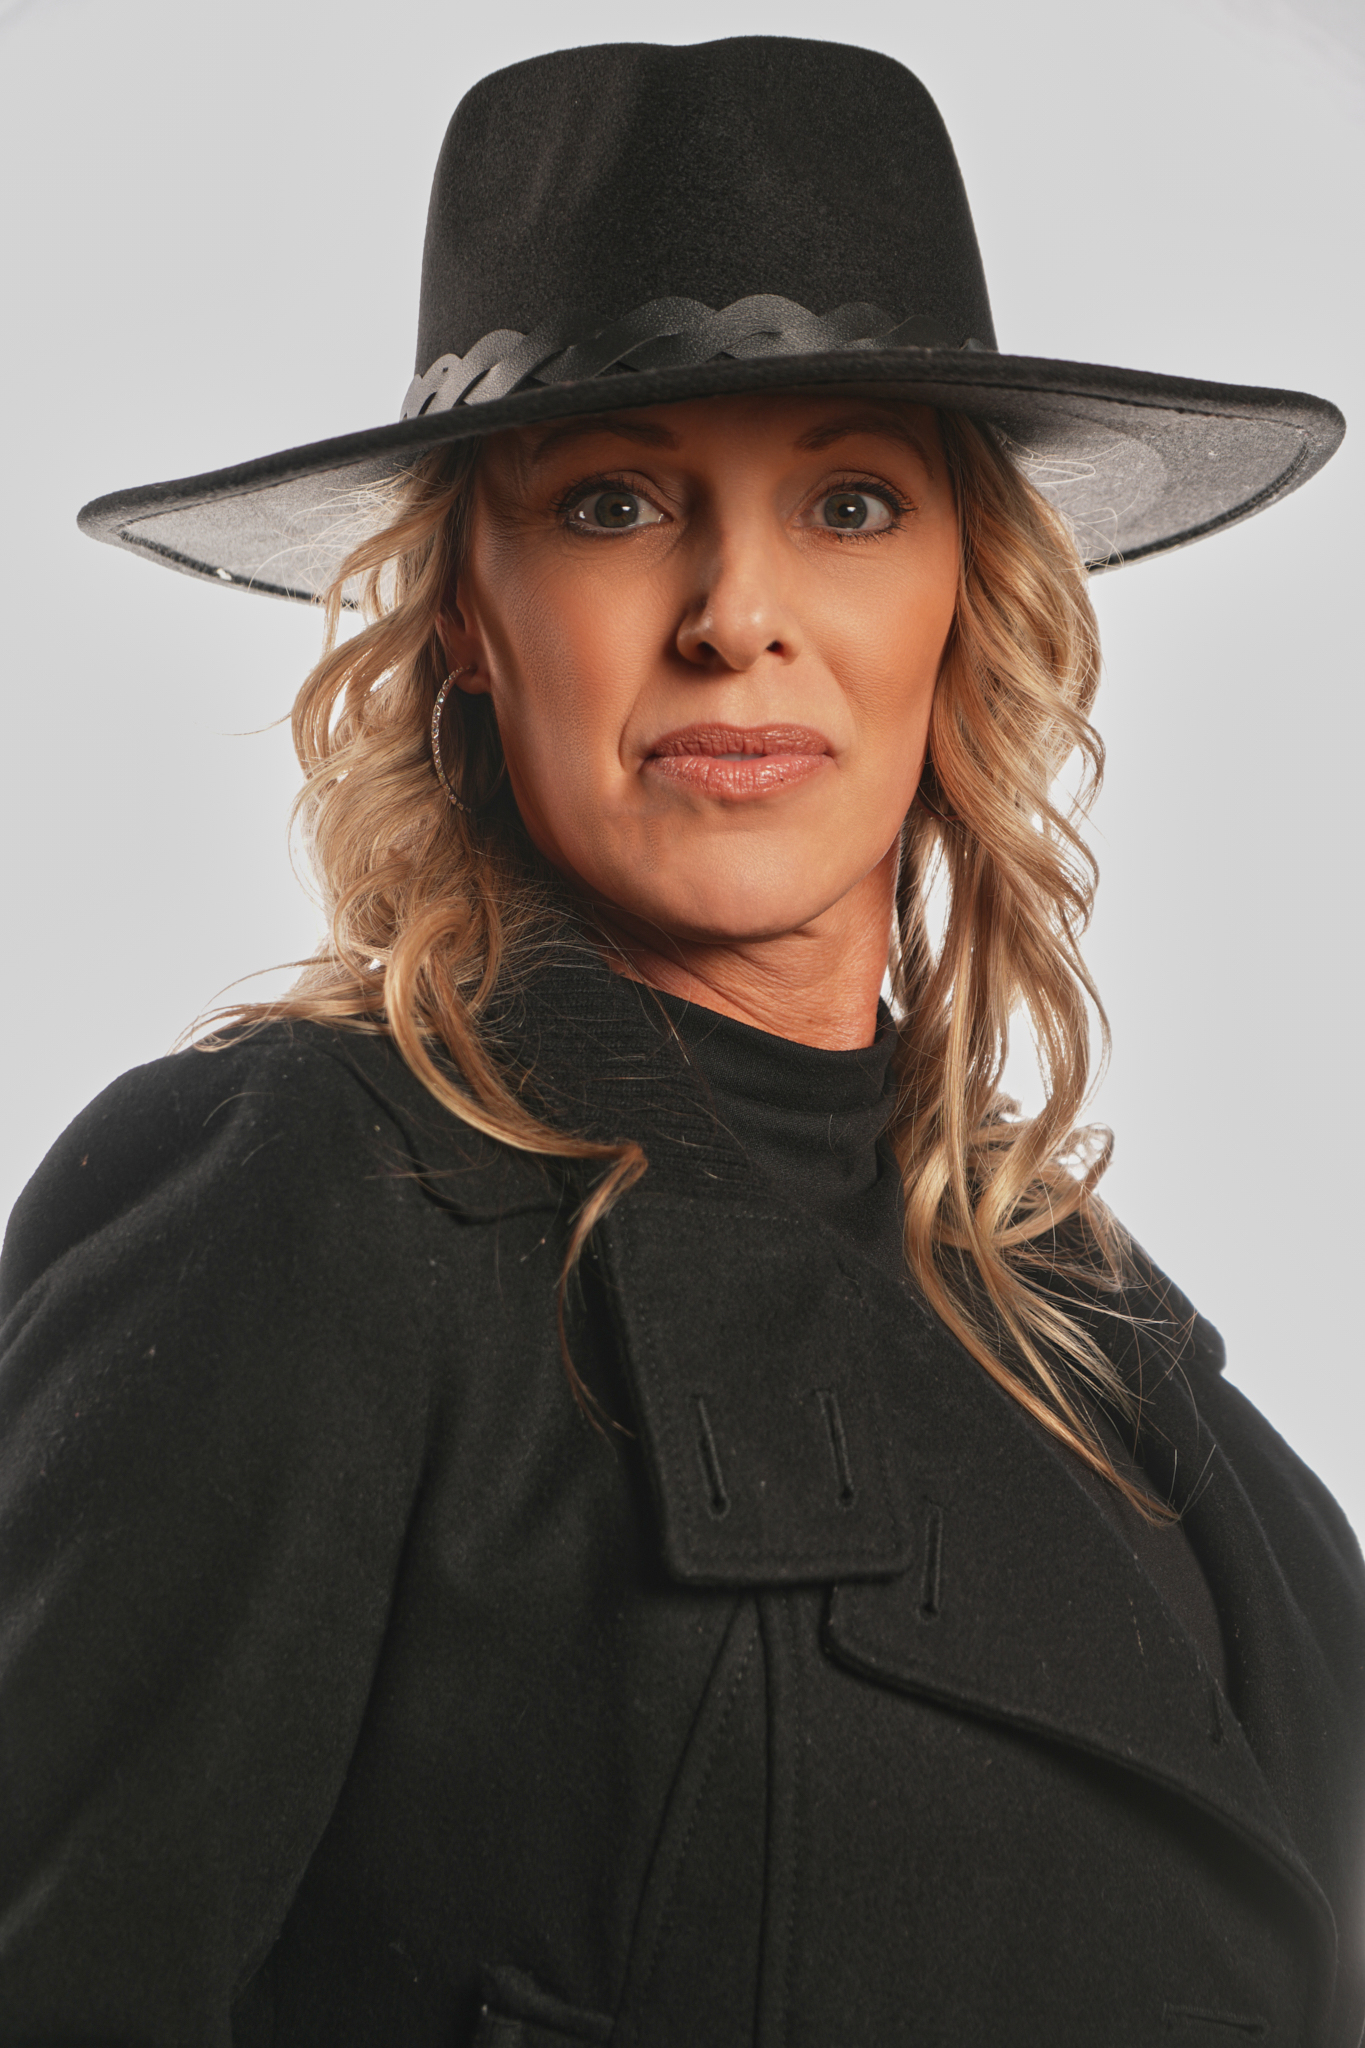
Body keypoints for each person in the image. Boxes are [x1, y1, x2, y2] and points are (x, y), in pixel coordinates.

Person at [1, 35, 1361, 2048]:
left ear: (964, 595)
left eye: (848, 501)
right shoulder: (312, 1194)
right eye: (616, 502)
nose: (736, 612)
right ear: (467, 616)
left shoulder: (1088, 1326)